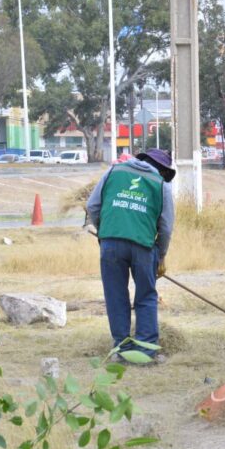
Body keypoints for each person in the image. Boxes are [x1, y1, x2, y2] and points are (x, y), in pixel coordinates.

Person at [86, 148, 175, 364]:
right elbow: (165, 227)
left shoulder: (113, 172)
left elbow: (92, 206)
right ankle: (144, 353)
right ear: (162, 169)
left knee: (115, 297)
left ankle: (122, 349)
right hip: (143, 246)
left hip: (110, 243)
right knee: (145, 297)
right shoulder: (160, 184)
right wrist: (160, 255)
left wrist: (104, 231)